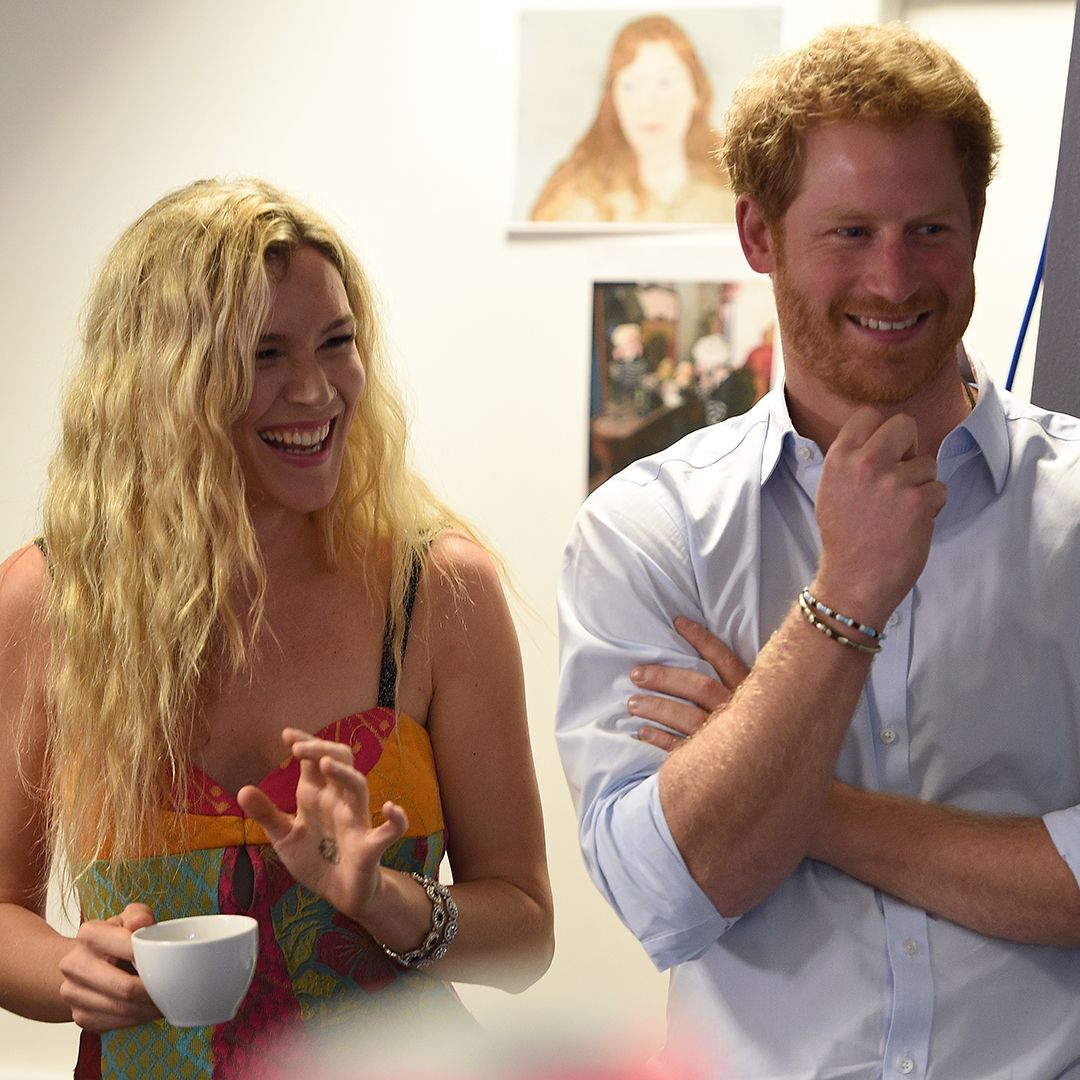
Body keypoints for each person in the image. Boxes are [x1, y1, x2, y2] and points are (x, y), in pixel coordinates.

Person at [556, 23, 1080, 1080]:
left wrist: (806, 801)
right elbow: (670, 896)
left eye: (929, 228)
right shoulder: (647, 531)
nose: (892, 280)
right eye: (848, 233)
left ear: (977, 226)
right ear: (759, 234)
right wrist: (844, 597)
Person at [0, 179, 553, 1077]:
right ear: (160, 380)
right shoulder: (54, 598)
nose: (315, 390)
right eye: (261, 356)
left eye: (337, 343)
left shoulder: (436, 590)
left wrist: (387, 902)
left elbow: (526, 937)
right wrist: (70, 972)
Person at [530, 15, 735, 224]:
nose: (648, 103)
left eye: (665, 82)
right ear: (614, 100)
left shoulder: (734, 194)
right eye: (631, 86)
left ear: (696, 93)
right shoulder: (580, 203)